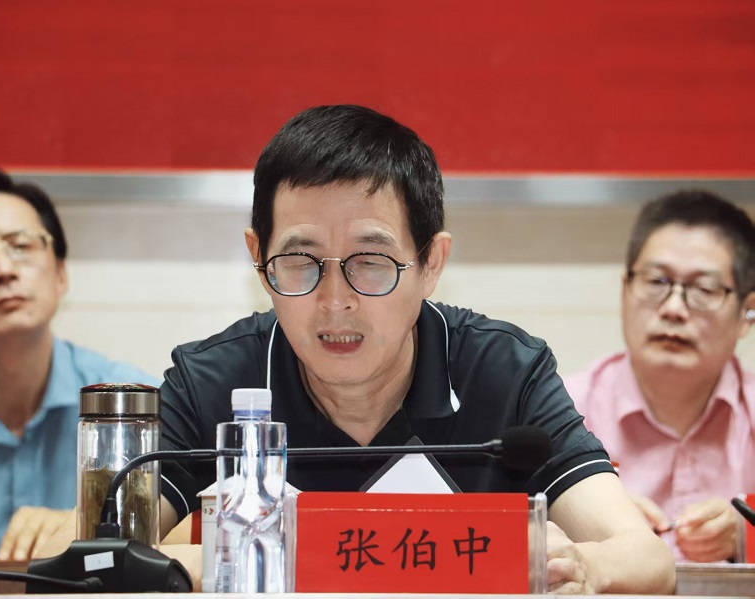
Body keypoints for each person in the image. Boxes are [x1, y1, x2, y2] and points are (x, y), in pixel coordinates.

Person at [144, 105, 673, 593]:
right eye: (302, 261)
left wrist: (584, 566)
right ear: (260, 260)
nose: (336, 301)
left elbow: (646, 558)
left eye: (371, 263)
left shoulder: (503, 372)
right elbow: (113, 555)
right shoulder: (211, 381)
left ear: (431, 264)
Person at [0, 167, 159, 561]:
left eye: (21, 245)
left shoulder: (132, 409)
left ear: (61, 273)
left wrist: (82, 524)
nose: (3, 270)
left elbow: (187, 528)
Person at [565, 190, 755, 564]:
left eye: (704, 289)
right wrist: (586, 521)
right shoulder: (559, 411)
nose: (673, 309)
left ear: (747, 313)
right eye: (656, 282)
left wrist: (747, 533)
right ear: (625, 289)